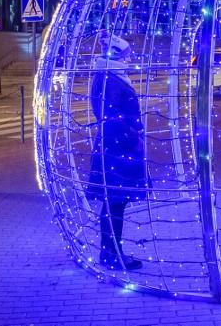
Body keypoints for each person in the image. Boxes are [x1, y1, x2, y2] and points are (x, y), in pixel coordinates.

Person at [85, 31, 148, 270]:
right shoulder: (110, 79)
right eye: (126, 55)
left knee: (115, 203)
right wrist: (134, 138)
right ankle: (112, 255)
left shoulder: (112, 77)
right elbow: (109, 116)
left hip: (118, 149)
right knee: (114, 203)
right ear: (115, 55)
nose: (130, 60)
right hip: (116, 151)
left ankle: (112, 252)